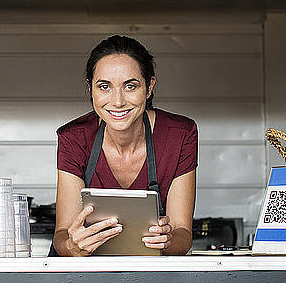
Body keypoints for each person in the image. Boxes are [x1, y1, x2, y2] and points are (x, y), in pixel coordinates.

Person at [52, 35, 197, 256]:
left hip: (153, 278)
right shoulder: (74, 137)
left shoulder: (180, 135)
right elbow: (62, 234)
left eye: (130, 86)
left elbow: (183, 234)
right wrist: (73, 247)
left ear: (149, 88)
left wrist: (168, 241)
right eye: (104, 87)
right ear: (91, 89)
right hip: (84, 279)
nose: (118, 101)